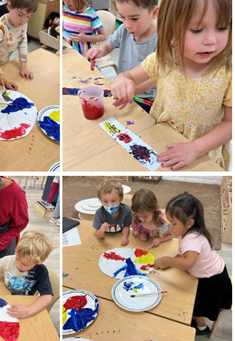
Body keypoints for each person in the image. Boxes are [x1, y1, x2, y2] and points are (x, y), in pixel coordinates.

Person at [111, 0, 232, 170]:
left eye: (221, 27)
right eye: (197, 29)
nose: (211, 40)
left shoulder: (228, 73)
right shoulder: (164, 57)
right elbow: (133, 75)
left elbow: (230, 123)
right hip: (159, 139)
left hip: (201, 153)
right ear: (171, 27)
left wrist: (195, 148)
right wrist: (123, 81)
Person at [155, 192, 232, 335]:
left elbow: (189, 262)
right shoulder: (187, 232)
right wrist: (172, 262)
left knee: (197, 307)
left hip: (212, 281)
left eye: (173, 223)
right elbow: (184, 254)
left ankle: (202, 327)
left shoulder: (193, 239)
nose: (170, 226)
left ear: (189, 223)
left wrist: (167, 260)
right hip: (212, 273)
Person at [87, 0, 159, 113]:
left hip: (146, 99)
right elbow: (107, 46)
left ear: (154, 13)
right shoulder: (123, 30)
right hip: (123, 92)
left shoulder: (160, 41)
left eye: (134, 19)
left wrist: (134, 91)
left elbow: (157, 78)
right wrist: (99, 50)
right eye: (123, 17)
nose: (127, 25)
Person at [0, 231, 55, 318]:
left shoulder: (41, 271)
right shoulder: (8, 260)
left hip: (24, 303)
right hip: (5, 297)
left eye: (25, 264)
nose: (18, 265)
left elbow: (47, 296)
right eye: (17, 259)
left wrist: (28, 310)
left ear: (40, 261)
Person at [0, 0, 38, 79]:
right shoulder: (0, 27)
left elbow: (23, 44)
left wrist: (23, 68)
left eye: (28, 16)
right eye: (20, 15)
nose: (24, 20)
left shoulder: (23, 24)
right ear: (9, 6)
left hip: (5, 63)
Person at [93, 178, 133, 245]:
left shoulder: (127, 210)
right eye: (105, 201)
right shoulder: (99, 213)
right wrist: (101, 230)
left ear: (121, 199)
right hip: (106, 241)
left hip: (118, 239)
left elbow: (126, 226)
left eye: (113, 201)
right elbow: (99, 235)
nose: (110, 205)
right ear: (101, 201)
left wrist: (125, 237)